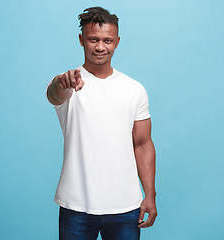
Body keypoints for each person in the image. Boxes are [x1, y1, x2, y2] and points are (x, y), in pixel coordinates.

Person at [46, 6, 157, 240]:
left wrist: (149, 195)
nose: (99, 47)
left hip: (126, 208)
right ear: (81, 40)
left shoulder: (134, 89)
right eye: (93, 39)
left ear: (117, 42)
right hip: (76, 206)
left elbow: (143, 144)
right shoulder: (69, 82)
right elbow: (54, 94)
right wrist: (61, 82)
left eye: (107, 40)